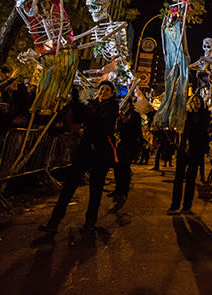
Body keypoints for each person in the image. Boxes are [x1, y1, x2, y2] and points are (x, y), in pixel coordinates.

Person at [38, 80, 119, 234]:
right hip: (85, 148)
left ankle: (90, 221)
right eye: (101, 89)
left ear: (111, 93)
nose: (103, 92)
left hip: (101, 150)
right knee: (70, 185)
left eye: (107, 90)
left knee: (96, 187)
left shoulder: (112, 107)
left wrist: (79, 103)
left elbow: (98, 120)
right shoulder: (91, 104)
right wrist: (72, 104)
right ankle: (54, 220)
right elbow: (79, 117)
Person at [167, 94, 210, 215]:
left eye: (198, 102)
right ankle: (175, 205)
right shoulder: (184, 115)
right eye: (193, 101)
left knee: (191, 180)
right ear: (190, 103)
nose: (196, 104)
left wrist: (204, 149)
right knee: (178, 179)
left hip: (196, 152)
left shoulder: (204, 116)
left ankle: (187, 206)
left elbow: (205, 135)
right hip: (183, 150)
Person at [110, 97, 143, 208]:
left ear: (129, 104)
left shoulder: (135, 115)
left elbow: (137, 131)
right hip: (119, 144)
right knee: (117, 167)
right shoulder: (118, 114)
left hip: (130, 145)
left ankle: (123, 191)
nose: (121, 103)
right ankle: (117, 188)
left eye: (124, 101)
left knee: (125, 168)